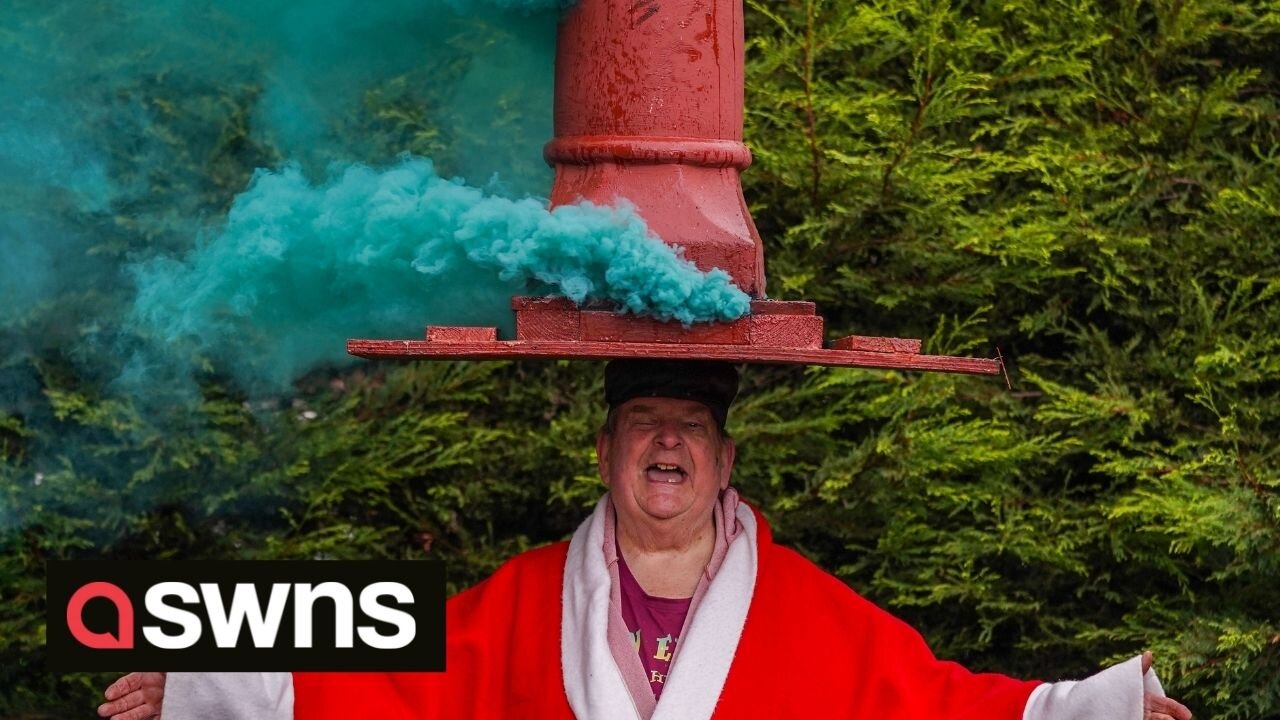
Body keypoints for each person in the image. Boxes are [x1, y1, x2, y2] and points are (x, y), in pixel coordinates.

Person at [98, 360, 1194, 720]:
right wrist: (190, 665)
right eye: (639, 425)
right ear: (605, 455)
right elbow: (387, 667)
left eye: (687, 430)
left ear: (721, 466)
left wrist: (1105, 707)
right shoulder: (529, 597)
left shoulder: (812, 615)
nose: (663, 441)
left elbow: (951, 708)